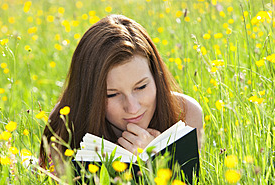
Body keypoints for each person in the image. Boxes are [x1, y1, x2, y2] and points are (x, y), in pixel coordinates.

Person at [39, 14, 203, 170]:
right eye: (112, 94)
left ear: (156, 77)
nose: (132, 108)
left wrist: (156, 159)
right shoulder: (65, 121)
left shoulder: (186, 113)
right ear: (89, 95)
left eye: (141, 87)